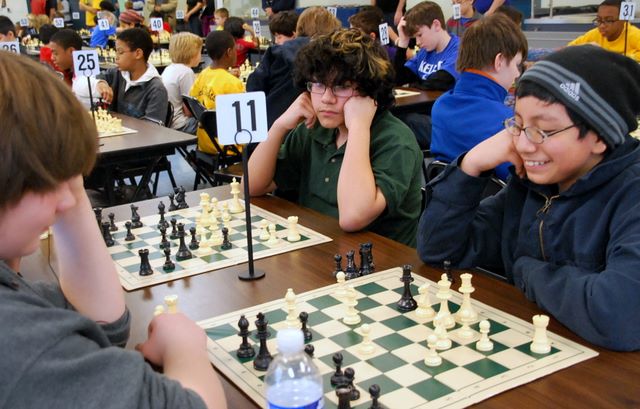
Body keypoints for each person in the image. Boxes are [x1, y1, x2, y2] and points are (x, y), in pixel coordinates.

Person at [0, 51, 227, 409]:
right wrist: (186, 348)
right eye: (46, 180)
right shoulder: (18, 342)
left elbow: (104, 326)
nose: (68, 201)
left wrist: (67, 173)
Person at [417, 45, 640, 351]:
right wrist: (472, 164)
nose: (522, 144)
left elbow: (620, 315)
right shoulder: (532, 186)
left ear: (600, 136)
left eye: (543, 130)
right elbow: (437, 250)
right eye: (518, 125)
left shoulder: (631, 193)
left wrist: (526, 270)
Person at [248, 29, 422, 247]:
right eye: (318, 85)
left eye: (341, 87)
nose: (326, 99)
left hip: (379, 261)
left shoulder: (396, 141)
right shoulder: (314, 127)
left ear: (369, 91)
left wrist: (358, 127)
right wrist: (279, 126)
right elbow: (252, 186)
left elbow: (352, 217)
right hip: (318, 250)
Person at [430, 14, 527, 181]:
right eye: (516, 64)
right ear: (499, 61)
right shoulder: (507, 122)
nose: (517, 73)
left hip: (446, 194)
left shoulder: (440, 106)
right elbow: (522, 179)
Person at [246, 6, 342, 128]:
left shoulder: (275, 52)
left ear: (299, 27)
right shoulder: (334, 56)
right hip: (311, 127)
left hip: (270, 125)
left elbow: (253, 86)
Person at [95, 27, 168, 124]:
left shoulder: (156, 89)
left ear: (138, 53)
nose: (116, 57)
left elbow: (153, 127)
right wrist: (101, 83)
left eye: (120, 52)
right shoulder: (117, 73)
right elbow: (96, 78)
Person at [189, 30, 244, 155]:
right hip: (228, 147)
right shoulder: (233, 83)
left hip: (204, 143)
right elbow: (242, 122)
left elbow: (192, 104)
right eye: (235, 49)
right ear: (229, 52)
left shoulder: (203, 75)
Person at [394, 1, 460, 91]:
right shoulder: (425, 50)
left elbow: (439, 82)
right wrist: (403, 44)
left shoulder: (459, 48)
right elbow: (399, 79)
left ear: (436, 25)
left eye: (420, 35)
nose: (417, 42)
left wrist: (412, 85)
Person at [568, 0, 640, 62]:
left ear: (623, 20)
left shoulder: (634, 35)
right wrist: (585, 49)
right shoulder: (595, 34)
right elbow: (567, 50)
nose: (602, 26)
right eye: (599, 20)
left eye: (609, 20)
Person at [50, 28, 106, 107]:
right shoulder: (70, 72)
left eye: (55, 53)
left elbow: (90, 83)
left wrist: (99, 84)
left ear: (71, 51)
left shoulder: (85, 76)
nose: (52, 58)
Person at [162, 32, 202, 134]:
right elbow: (190, 111)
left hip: (168, 122)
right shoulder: (186, 72)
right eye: (199, 52)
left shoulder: (169, 68)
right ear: (192, 53)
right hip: (181, 124)